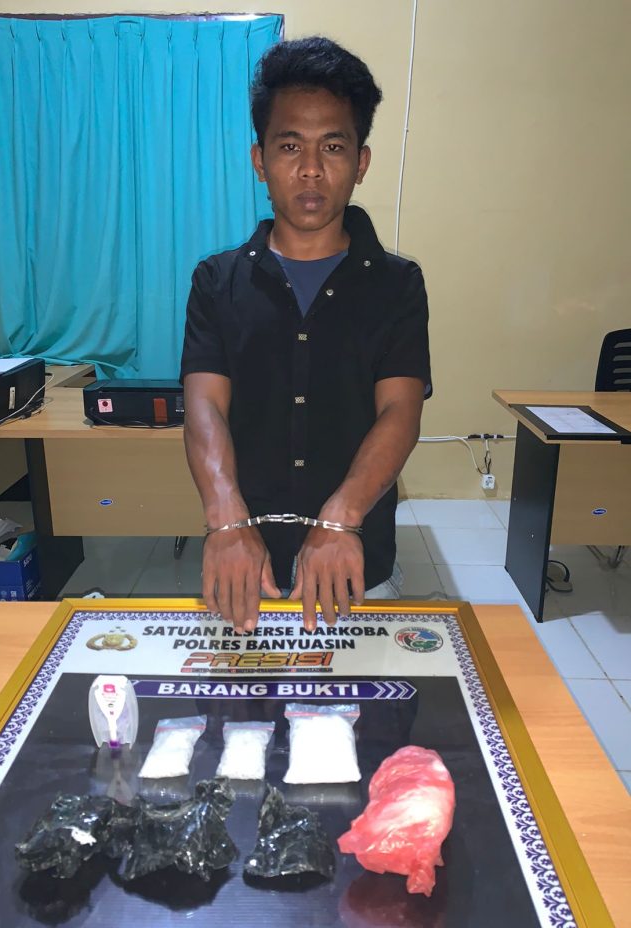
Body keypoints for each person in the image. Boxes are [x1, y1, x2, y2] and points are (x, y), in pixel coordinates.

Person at [180, 36, 431, 634]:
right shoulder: (217, 281)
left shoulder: (397, 284)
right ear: (260, 159)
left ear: (361, 162)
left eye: (333, 146)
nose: (311, 168)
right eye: (290, 145)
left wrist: (341, 518)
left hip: (355, 565)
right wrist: (227, 519)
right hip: (243, 567)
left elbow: (400, 410)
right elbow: (204, 406)